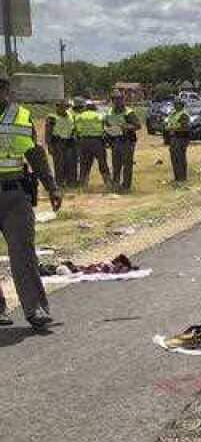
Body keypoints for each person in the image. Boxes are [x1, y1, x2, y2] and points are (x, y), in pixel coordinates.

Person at [0, 69, 62, 329]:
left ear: (6, 91)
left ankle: (35, 309)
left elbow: (35, 155)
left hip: (15, 195)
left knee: (23, 253)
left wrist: (52, 186)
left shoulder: (21, 117)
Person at [104, 91, 141, 192]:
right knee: (116, 164)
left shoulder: (128, 112)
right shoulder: (109, 112)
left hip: (127, 141)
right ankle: (116, 184)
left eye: (120, 99)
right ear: (112, 101)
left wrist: (126, 127)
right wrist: (108, 130)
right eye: (115, 99)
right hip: (115, 141)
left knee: (127, 164)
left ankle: (126, 186)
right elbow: (106, 124)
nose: (118, 101)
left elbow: (138, 125)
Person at [73, 96, 112, 189]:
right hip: (97, 141)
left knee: (84, 163)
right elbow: (107, 127)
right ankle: (108, 183)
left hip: (84, 141)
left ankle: (83, 183)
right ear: (94, 107)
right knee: (102, 162)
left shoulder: (79, 116)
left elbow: (77, 130)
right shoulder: (100, 115)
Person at [44, 99, 77, 187]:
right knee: (59, 165)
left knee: (70, 163)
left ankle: (70, 183)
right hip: (58, 143)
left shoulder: (71, 116)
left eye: (66, 106)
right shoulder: (52, 117)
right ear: (57, 106)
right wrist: (49, 146)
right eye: (61, 106)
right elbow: (48, 133)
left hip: (69, 143)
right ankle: (59, 184)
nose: (64, 108)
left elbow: (73, 129)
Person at [165, 99, 192, 184]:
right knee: (174, 158)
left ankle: (182, 178)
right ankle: (177, 177)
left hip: (181, 138)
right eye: (175, 104)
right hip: (173, 138)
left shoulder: (184, 115)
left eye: (177, 104)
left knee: (180, 158)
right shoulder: (173, 113)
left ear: (181, 105)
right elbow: (170, 122)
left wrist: (173, 129)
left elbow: (186, 128)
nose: (175, 106)